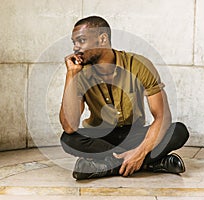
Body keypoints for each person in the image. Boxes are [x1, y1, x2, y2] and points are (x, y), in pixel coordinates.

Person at [59, 16, 189, 180]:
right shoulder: (80, 74)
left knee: (177, 131)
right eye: (74, 42)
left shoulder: (139, 65)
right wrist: (71, 75)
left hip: (135, 135)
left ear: (102, 39)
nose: (75, 47)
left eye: (82, 40)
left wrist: (140, 151)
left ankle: (106, 166)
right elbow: (69, 126)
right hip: (102, 138)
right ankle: (151, 163)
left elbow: (162, 117)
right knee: (68, 139)